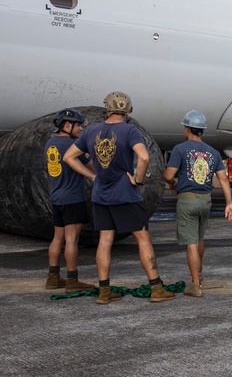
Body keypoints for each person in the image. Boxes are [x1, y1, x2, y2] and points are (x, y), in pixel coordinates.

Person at [63, 91, 175, 304]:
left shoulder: (92, 131)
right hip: (125, 195)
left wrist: (92, 175)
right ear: (128, 109)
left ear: (107, 107)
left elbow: (69, 157)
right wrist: (138, 180)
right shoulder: (130, 131)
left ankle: (104, 291)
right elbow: (143, 156)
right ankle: (156, 288)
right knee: (142, 238)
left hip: (101, 195)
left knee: (105, 240)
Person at [163, 110, 232, 298]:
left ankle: (195, 285)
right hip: (206, 200)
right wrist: (229, 204)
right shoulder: (213, 152)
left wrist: (172, 184)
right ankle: (199, 274)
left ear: (187, 128)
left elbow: (169, 175)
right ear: (202, 130)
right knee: (199, 238)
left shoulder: (180, 149)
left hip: (187, 200)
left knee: (191, 244)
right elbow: (224, 180)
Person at [44, 109, 95, 292]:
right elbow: (92, 166)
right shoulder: (72, 146)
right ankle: (72, 281)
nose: (81, 129)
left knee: (57, 238)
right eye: (78, 125)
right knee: (72, 239)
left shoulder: (50, 144)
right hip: (73, 198)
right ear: (67, 125)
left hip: (56, 197)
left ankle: (53, 278)